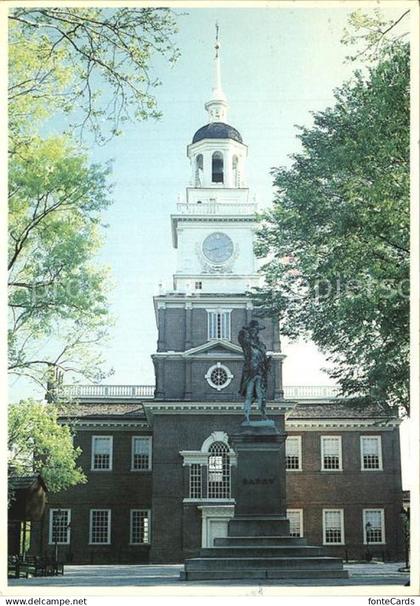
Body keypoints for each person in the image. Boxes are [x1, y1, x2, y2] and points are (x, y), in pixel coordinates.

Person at [238, 320, 271, 423]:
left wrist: (267, 363)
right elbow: (241, 339)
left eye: (255, 329)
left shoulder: (261, 345)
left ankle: (263, 414)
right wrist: (245, 331)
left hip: (260, 372)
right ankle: (246, 415)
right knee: (249, 394)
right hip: (250, 372)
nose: (254, 331)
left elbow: (265, 360)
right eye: (252, 329)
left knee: (261, 395)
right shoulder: (247, 343)